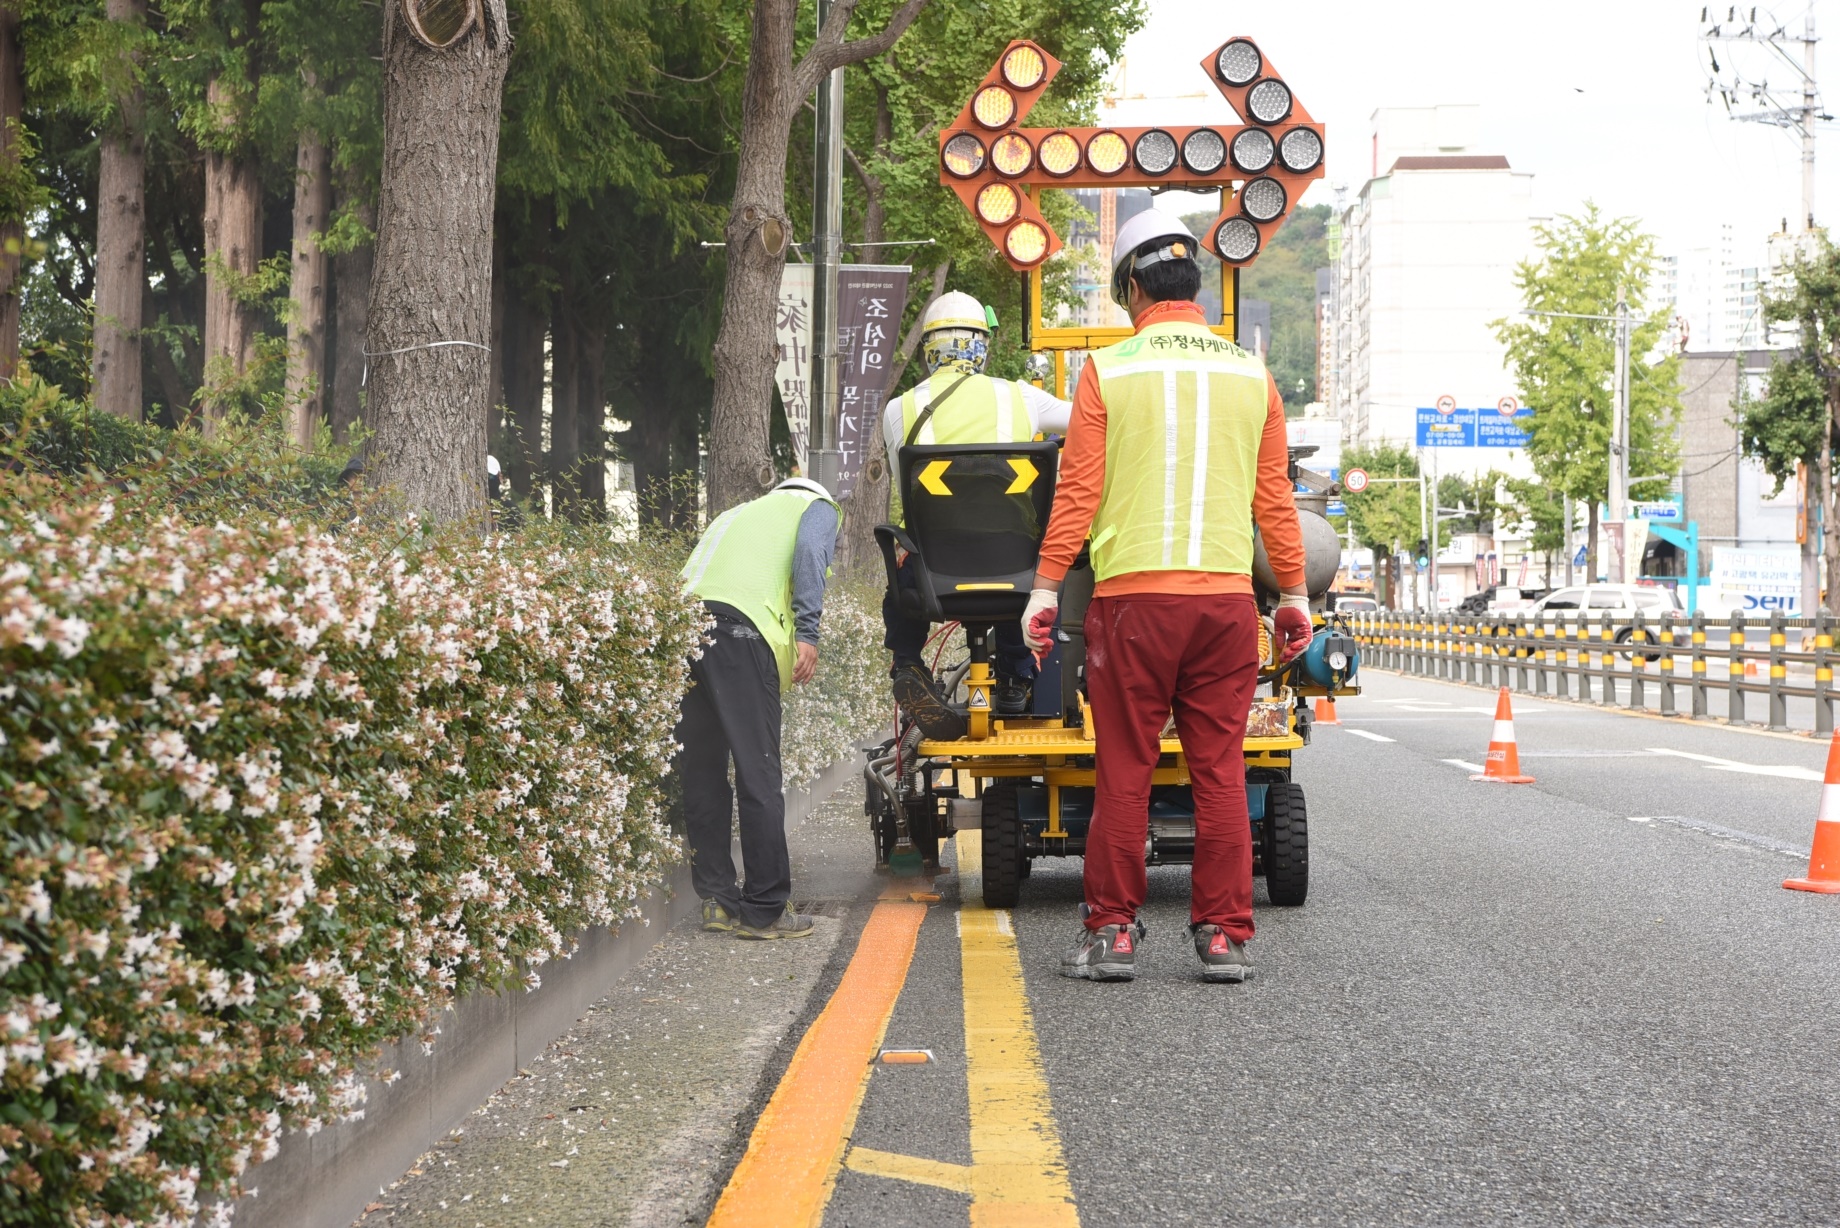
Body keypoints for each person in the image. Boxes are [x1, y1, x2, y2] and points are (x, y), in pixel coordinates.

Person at [1019, 210, 1313, 985]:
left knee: (1125, 769)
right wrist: (1291, 596)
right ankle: (1222, 937)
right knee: (1219, 769)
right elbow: (1275, 504)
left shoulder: (1107, 372)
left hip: (1132, 605)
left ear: (1134, 286)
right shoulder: (1253, 373)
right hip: (1224, 606)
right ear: (1196, 283)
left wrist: (1046, 588)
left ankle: (1112, 934)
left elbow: (1076, 494)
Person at [882, 290, 1071, 738]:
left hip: (935, 578)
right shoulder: (1022, 399)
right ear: (981, 347)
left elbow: (909, 499)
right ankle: (1016, 676)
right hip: (1018, 575)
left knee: (902, 568)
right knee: (1034, 566)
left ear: (929, 351)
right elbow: (1092, 417)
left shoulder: (898, 410)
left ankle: (908, 664)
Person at [678, 477, 841, 939]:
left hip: (685, 631)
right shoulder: (818, 505)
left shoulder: (737, 514)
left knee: (703, 772)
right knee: (758, 771)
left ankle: (716, 900)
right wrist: (808, 631)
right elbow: (811, 554)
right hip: (740, 634)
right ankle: (767, 909)